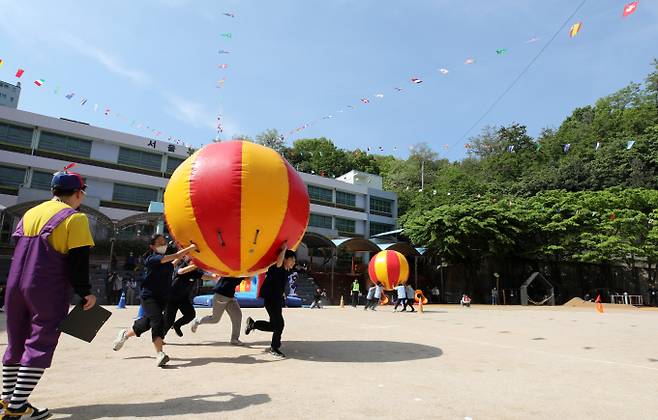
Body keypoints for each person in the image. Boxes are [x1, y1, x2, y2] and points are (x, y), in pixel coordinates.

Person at [2, 168, 97, 418]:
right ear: (78, 193)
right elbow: (78, 260)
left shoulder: (30, 213)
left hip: (14, 285)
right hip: (46, 286)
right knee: (40, 342)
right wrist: (85, 292)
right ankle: (18, 406)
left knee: (16, 341)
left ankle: (6, 399)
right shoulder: (75, 218)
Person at [112, 235, 195, 367]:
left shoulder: (165, 262)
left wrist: (187, 253)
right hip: (149, 297)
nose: (164, 244)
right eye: (159, 243)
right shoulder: (151, 259)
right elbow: (174, 257)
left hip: (162, 298)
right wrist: (190, 248)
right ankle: (160, 354)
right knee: (158, 321)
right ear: (152, 246)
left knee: (145, 324)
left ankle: (125, 334)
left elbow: (174, 261)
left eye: (164, 242)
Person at [245, 244, 295, 358]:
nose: (293, 262)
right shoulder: (276, 267)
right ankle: (274, 347)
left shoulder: (286, 271)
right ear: (285, 259)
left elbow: (279, 284)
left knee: (274, 326)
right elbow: (279, 261)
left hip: (276, 300)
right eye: (292, 259)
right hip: (271, 300)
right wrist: (284, 249)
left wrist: (282, 294)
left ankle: (253, 324)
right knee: (279, 324)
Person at [165, 256, 217, 338]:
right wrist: (197, 265)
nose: (195, 265)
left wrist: (216, 275)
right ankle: (159, 338)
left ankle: (177, 325)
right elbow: (181, 271)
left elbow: (206, 277)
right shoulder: (182, 267)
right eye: (193, 262)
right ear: (188, 262)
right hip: (171, 298)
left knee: (190, 315)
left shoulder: (195, 272)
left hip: (183, 299)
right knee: (168, 321)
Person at [190, 275, 244, 345]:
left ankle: (234, 339)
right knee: (215, 319)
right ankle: (197, 321)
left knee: (237, 316)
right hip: (221, 296)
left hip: (230, 296)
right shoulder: (231, 269)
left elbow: (249, 278)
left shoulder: (242, 271)